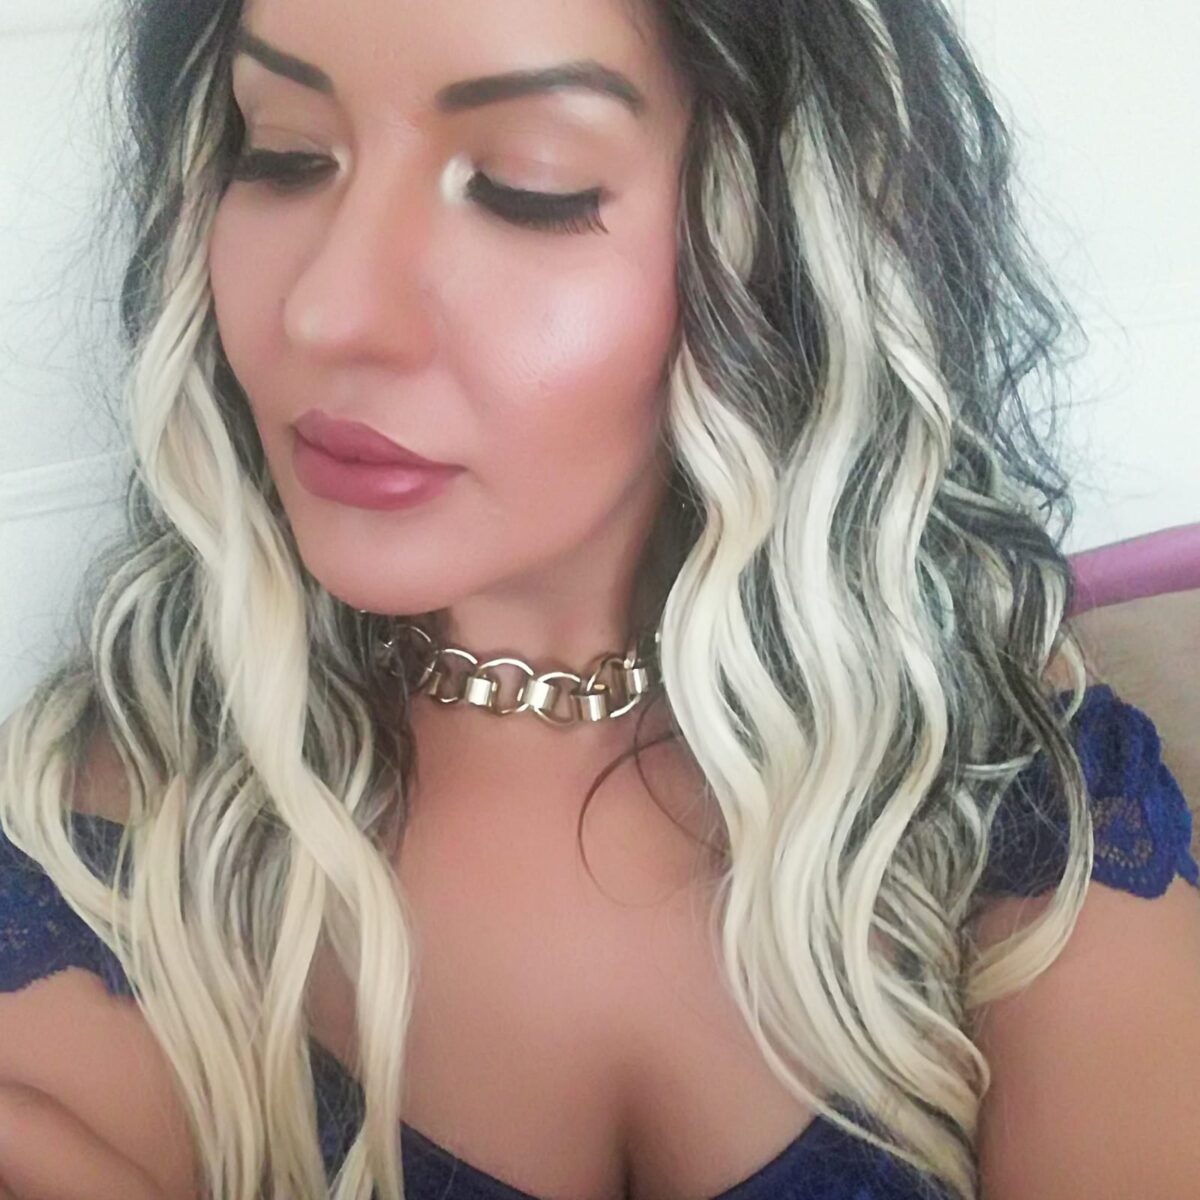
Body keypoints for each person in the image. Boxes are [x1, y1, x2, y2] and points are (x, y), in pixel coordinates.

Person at [1, 0, 1197, 1197]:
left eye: (527, 186)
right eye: (285, 156)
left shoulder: (994, 773)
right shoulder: (109, 841)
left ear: (783, 250)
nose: (328, 311)